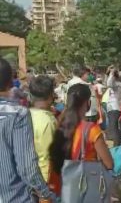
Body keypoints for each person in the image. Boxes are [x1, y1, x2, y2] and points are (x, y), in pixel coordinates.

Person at [0, 57, 57, 202]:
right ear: (10, 82)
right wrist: (46, 194)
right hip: (15, 197)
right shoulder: (17, 114)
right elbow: (27, 168)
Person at [49, 84, 113, 175]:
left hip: (62, 182)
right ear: (88, 103)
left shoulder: (58, 124)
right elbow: (109, 164)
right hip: (84, 183)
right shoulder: (91, 130)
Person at [29, 76, 57, 182]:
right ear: (50, 95)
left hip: (31, 176)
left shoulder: (26, 115)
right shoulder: (48, 121)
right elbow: (50, 155)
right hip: (46, 178)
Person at [106, 68, 121, 146]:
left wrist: (111, 72)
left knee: (113, 129)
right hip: (116, 108)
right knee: (116, 128)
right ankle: (117, 144)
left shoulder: (115, 84)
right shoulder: (119, 84)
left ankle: (116, 146)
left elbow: (109, 83)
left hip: (113, 108)